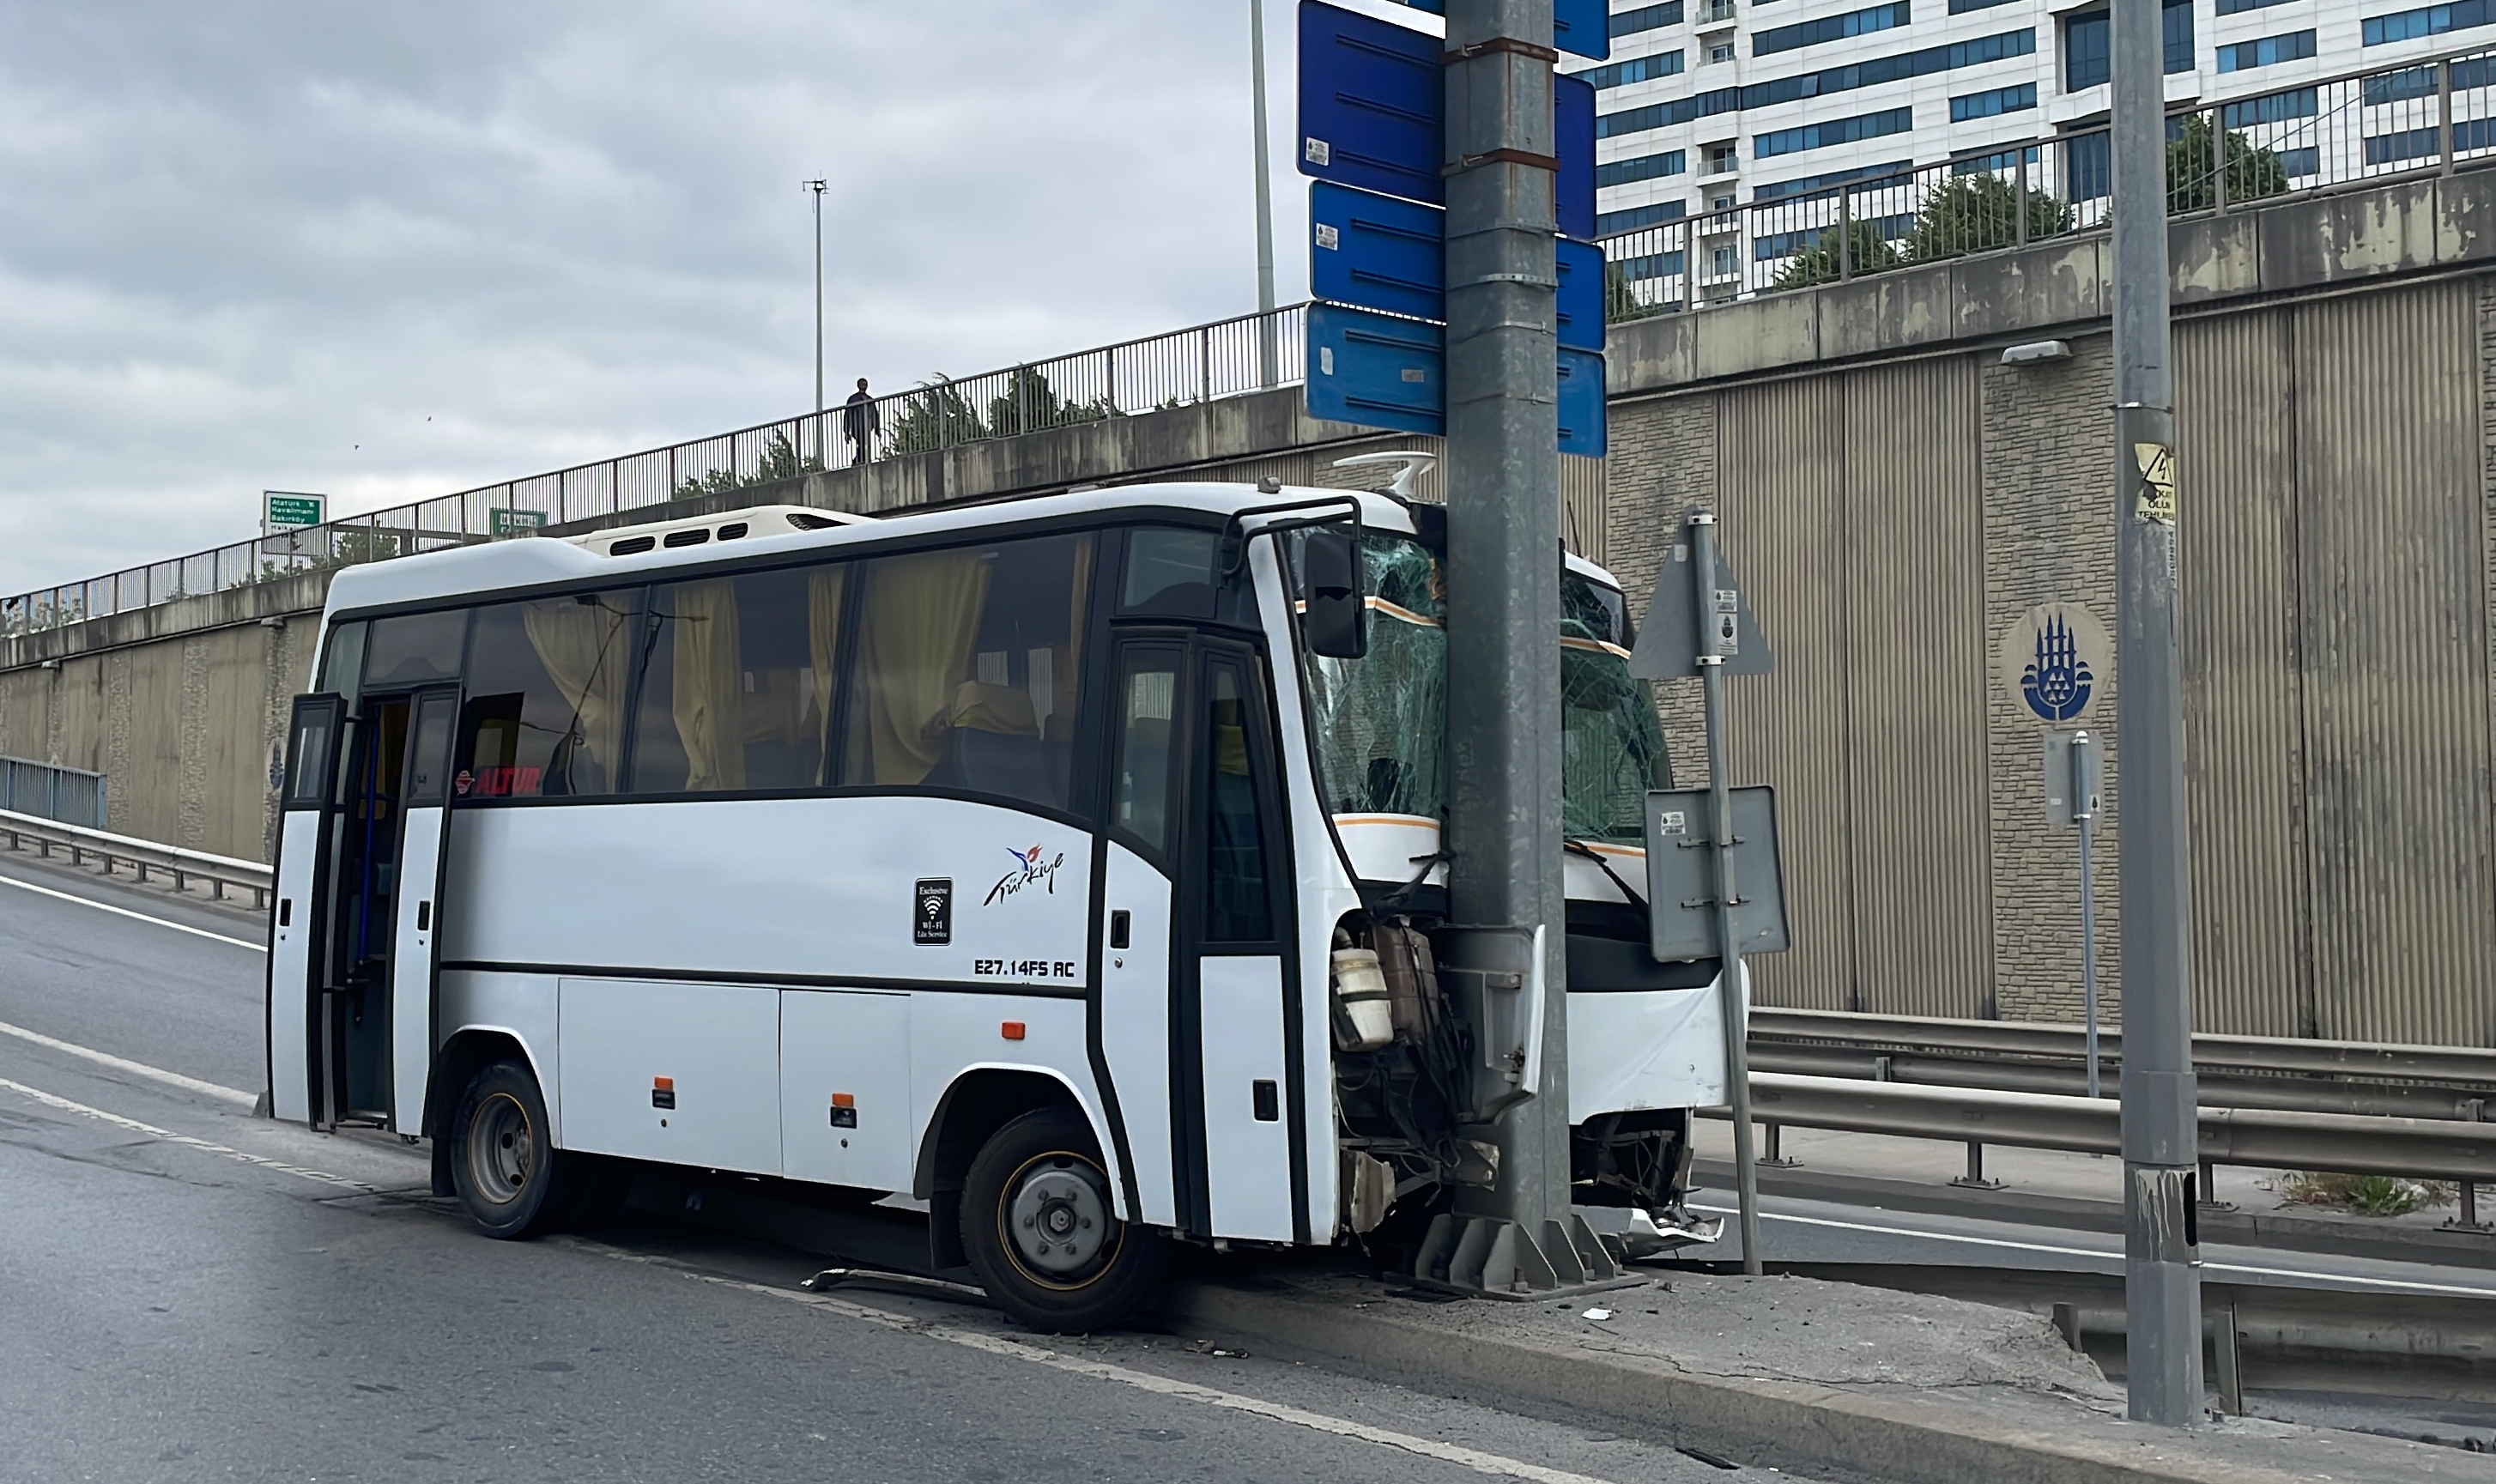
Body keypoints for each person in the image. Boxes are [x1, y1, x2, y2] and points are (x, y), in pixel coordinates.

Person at [843, 378, 881, 463]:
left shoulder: (869, 399)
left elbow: (875, 414)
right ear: (858, 386)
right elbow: (848, 415)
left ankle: (861, 460)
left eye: (865, 384)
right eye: (862, 384)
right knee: (862, 443)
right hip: (857, 426)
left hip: (867, 426)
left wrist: (877, 430)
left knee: (865, 444)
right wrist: (846, 431)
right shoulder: (853, 399)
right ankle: (860, 460)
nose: (864, 386)